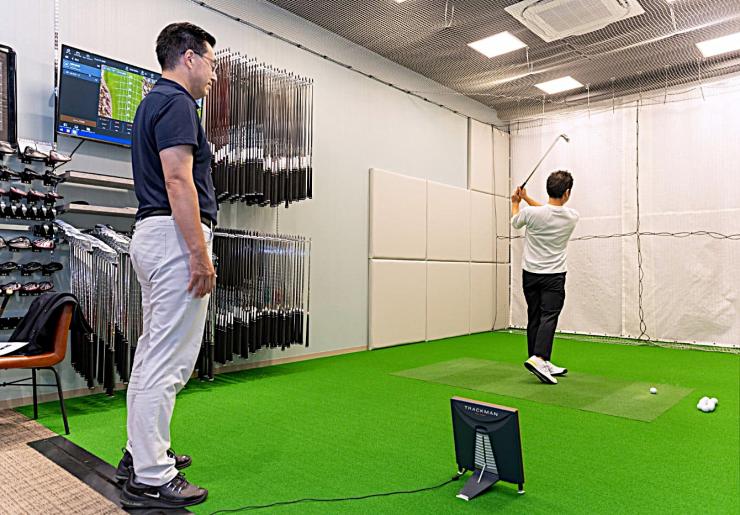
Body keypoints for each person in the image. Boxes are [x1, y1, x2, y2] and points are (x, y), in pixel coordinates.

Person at [117, 22, 218, 509]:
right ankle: (152, 476)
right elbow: (179, 181)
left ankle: (140, 454)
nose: (214, 75)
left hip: (154, 237)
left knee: (152, 355)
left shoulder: (150, 102)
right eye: (212, 63)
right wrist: (199, 254)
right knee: (168, 362)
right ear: (189, 57)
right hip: (174, 239)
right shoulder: (178, 103)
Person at [510, 170, 578, 385]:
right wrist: (526, 199)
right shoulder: (572, 216)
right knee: (549, 316)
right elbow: (549, 213)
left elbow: (516, 222)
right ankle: (539, 358)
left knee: (535, 316)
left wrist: (517, 202)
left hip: (530, 275)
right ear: (566, 193)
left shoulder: (530, 214)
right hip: (554, 276)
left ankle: (539, 360)